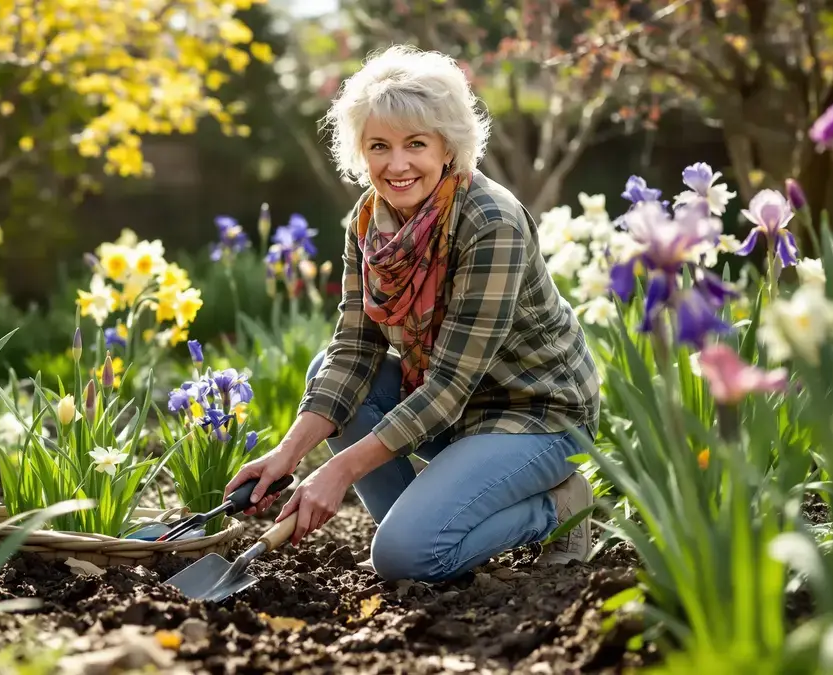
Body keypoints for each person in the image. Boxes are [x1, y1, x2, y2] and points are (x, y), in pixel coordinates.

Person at [223, 45, 602, 583]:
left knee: (404, 558)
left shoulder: (490, 222)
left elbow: (449, 384)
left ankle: (558, 508)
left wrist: (335, 472)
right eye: (379, 146)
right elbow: (355, 348)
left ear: (448, 146)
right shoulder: (368, 221)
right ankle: (429, 537)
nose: (396, 165)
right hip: (457, 412)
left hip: (536, 414)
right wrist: (288, 454)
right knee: (330, 382)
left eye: (415, 144)